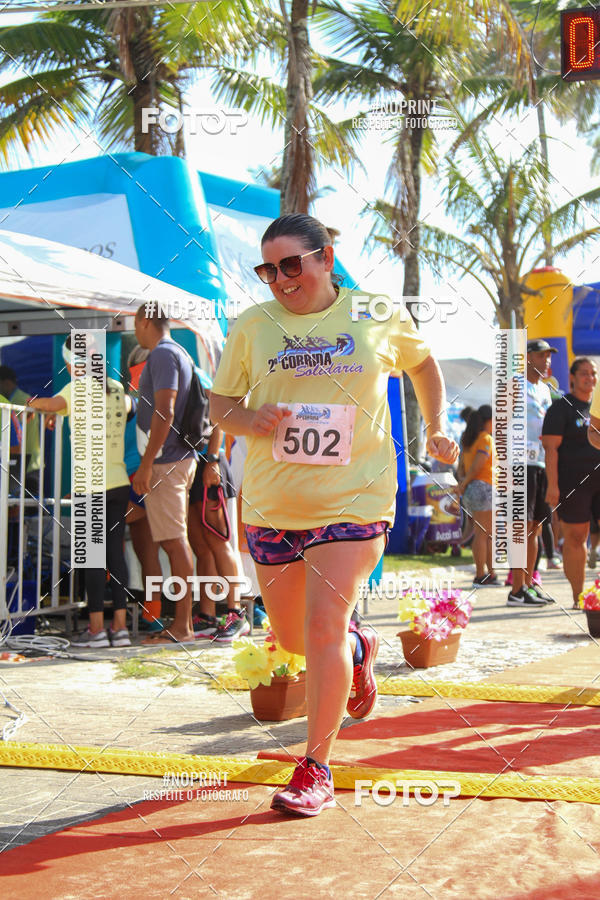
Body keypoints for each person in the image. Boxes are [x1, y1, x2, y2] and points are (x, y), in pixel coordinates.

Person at [210, 213, 458, 817]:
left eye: (291, 264)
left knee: (322, 627)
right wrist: (250, 420)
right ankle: (358, 646)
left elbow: (422, 365)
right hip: (272, 503)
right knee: (296, 638)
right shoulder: (253, 325)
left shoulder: (375, 314)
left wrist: (437, 428)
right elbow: (220, 404)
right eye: (268, 269)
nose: (279, 279)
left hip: (355, 499)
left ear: (325, 259)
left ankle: (315, 765)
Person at [27, 336, 133, 647]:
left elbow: (48, 404)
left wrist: (36, 406)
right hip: (119, 481)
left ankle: (96, 630)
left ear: (73, 364)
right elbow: (130, 409)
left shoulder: (76, 388)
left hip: (90, 485)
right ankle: (121, 628)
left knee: (92, 559)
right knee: (116, 556)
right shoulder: (115, 388)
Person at [132, 304, 198, 644]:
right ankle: (179, 621)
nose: (134, 332)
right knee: (174, 541)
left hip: (166, 461)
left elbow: (166, 409)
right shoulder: (181, 353)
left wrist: (146, 463)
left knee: (174, 542)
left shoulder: (161, 354)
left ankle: (182, 625)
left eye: (134, 323)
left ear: (145, 321)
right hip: (177, 458)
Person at [543, 357, 600, 608]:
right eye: (584, 373)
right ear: (573, 378)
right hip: (573, 483)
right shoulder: (561, 408)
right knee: (576, 538)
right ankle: (580, 597)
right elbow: (550, 449)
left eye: (594, 373)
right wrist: (552, 485)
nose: (590, 378)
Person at [507, 340, 556, 608]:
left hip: (539, 463)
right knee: (520, 528)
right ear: (526, 358)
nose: (546, 361)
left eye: (548, 357)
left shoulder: (545, 391)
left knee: (535, 527)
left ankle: (528, 585)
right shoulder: (514, 384)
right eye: (541, 356)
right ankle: (516, 589)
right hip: (518, 464)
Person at [456, 404, 497, 586]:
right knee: (484, 535)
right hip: (484, 488)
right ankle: (482, 575)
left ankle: (489, 574)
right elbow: (477, 466)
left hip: (472, 490)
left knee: (484, 534)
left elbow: (461, 468)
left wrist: (463, 484)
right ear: (488, 421)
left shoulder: (467, 439)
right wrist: (465, 482)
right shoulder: (486, 439)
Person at [0, 365, 41, 496]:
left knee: (21, 510)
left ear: (6, 383)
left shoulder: (16, 401)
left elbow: (14, 434)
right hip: (29, 462)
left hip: (22, 463)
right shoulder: (23, 398)